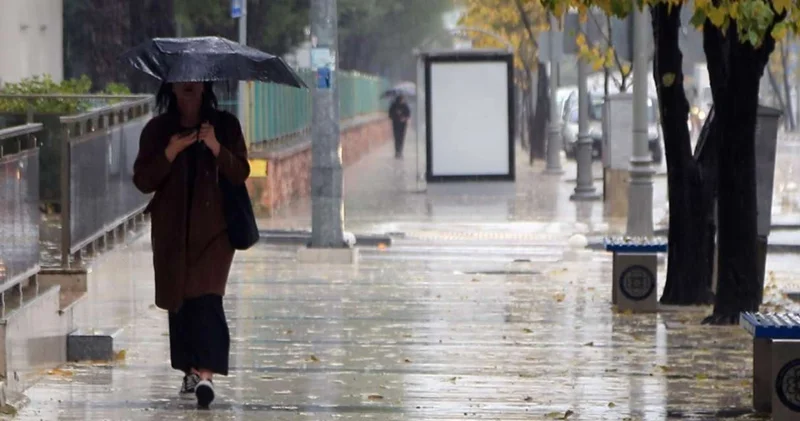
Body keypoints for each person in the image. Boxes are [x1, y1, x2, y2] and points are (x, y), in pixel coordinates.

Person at [133, 81, 250, 409]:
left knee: (208, 298)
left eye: (195, 80)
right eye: (182, 79)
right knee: (180, 299)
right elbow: (143, 180)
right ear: (171, 85)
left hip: (216, 233)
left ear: (204, 86)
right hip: (171, 231)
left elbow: (240, 171)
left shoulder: (225, 126)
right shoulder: (158, 130)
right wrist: (170, 151)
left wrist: (215, 146)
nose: (189, 85)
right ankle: (191, 369)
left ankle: (207, 376)